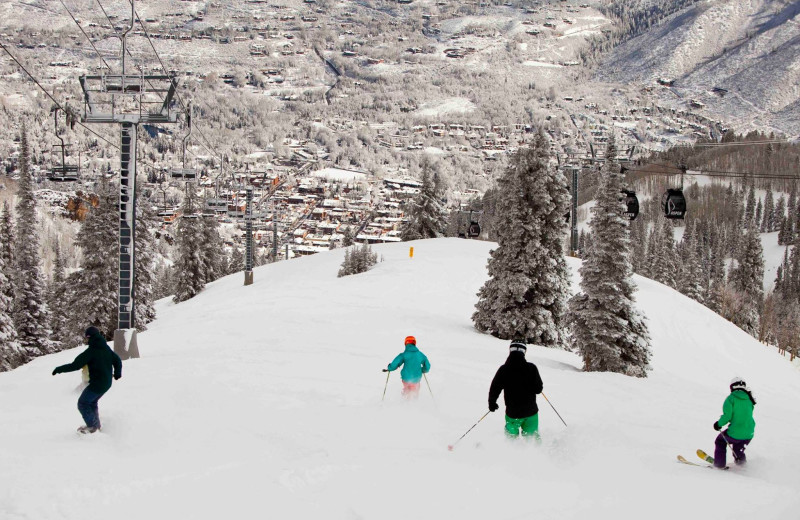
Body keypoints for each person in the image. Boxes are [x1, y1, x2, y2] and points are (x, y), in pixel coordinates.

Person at [52, 326, 122, 433]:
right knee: (92, 402)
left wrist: (59, 369)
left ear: (89, 337)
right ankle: (96, 425)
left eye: (87, 338)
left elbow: (75, 365)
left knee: (82, 403)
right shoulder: (106, 348)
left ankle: (92, 427)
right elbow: (117, 360)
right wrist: (117, 373)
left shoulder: (91, 351)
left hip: (97, 384)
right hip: (107, 383)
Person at [488, 339, 543, 439]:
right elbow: (538, 389)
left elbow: (495, 387)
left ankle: (512, 454)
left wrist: (492, 402)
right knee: (532, 441)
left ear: (510, 351)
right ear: (524, 352)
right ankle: (535, 454)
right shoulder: (531, 368)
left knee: (511, 442)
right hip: (530, 413)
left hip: (513, 414)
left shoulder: (503, 369)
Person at [709, 376, 756, 468]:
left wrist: (718, 424)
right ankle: (742, 464)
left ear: (732, 387)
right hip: (749, 433)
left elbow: (727, 416)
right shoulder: (750, 399)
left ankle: (719, 464)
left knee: (720, 441)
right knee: (739, 446)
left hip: (735, 432)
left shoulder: (731, 398)